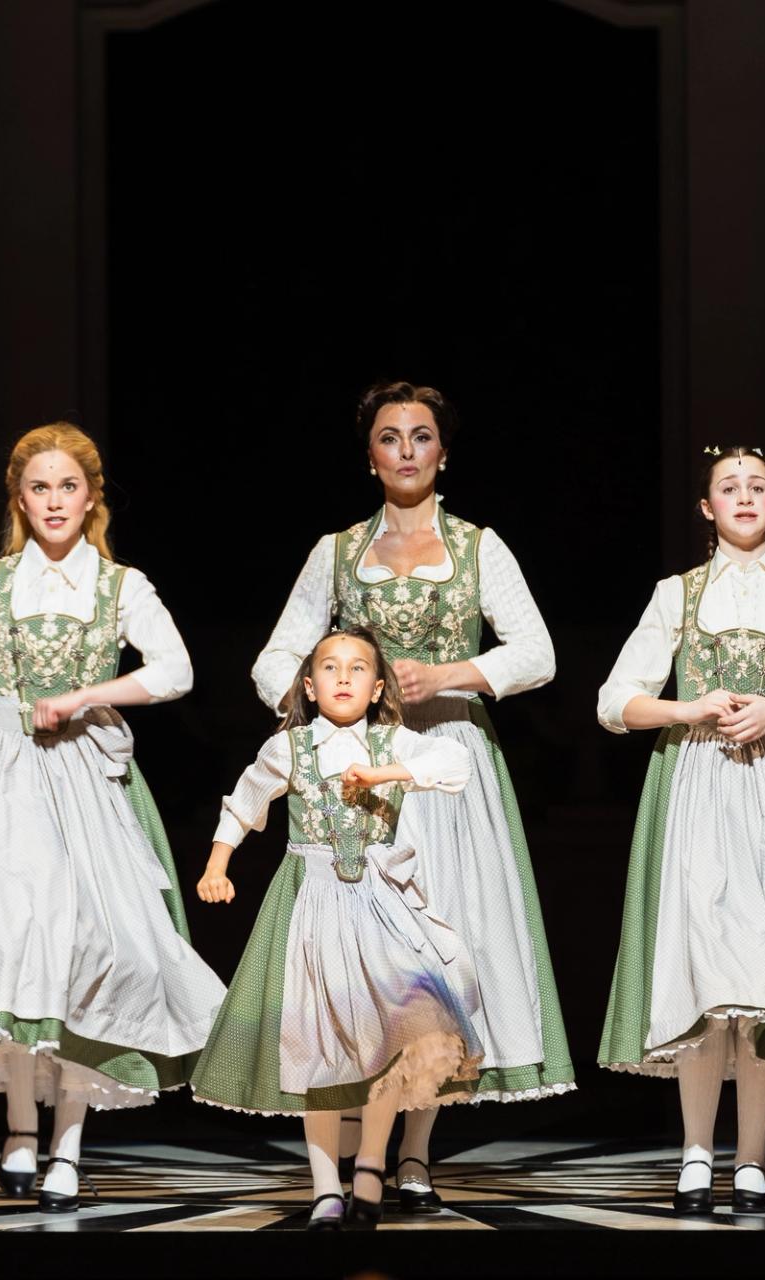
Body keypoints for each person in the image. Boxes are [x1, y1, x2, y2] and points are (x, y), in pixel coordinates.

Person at [252, 380, 570, 1210]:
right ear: (369, 455)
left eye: (420, 436)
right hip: (357, 777)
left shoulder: (477, 547)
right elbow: (274, 657)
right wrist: (321, 716)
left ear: (442, 452)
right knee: (363, 963)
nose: (404, 449)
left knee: (438, 955)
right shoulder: (335, 551)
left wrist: (453, 674)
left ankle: (419, 1149)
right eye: (389, 437)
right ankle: (359, 1146)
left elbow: (536, 651)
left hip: (448, 761)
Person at [0, 423, 224, 1211]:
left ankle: (69, 1143)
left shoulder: (122, 586)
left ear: (92, 498)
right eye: (39, 487)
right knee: (11, 942)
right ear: (21, 497)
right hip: (3, 779)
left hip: (84, 777)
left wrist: (88, 695)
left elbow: (176, 671)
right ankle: (18, 1125)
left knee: (90, 949)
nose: (54, 501)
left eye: (68, 487)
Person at [595, 446, 765, 1214]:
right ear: (707, 508)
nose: (744, 497)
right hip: (700, 790)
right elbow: (615, 700)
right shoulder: (677, 595)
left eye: (757, 487)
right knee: (706, 980)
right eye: (728, 488)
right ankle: (696, 1153)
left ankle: (752, 1158)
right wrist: (689, 708)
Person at [190, 627, 482, 1230]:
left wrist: (388, 773)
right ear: (308, 683)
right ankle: (326, 1187)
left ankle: (372, 1165)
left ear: (378, 689)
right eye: (329, 667)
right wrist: (218, 863)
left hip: (382, 905)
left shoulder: (390, 741)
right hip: (314, 904)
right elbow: (246, 803)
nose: (343, 677)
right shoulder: (290, 748)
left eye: (357, 669)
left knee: (396, 1033)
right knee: (318, 1045)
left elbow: (455, 764)